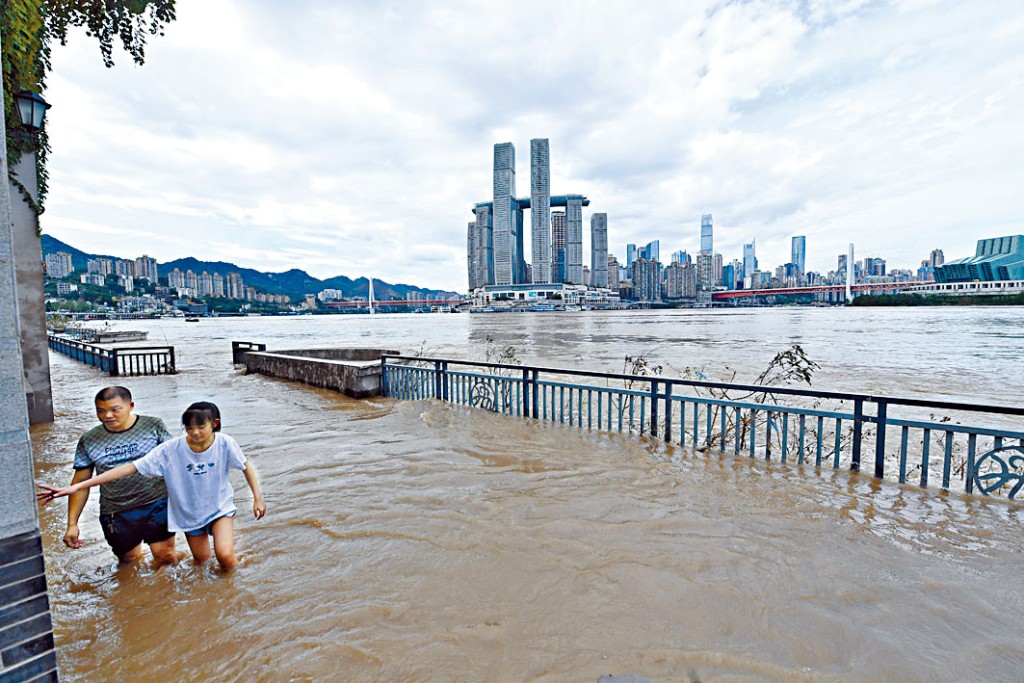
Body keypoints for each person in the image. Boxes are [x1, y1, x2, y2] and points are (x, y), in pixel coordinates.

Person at [40, 401, 266, 571]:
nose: (195, 432)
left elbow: (246, 466)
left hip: (220, 508)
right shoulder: (170, 450)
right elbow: (130, 468)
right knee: (202, 563)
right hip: (189, 513)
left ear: (214, 424)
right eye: (189, 427)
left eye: (201, 426)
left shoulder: (225, 443)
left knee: (225, 555)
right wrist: (78, 487)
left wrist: (257, 497)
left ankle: (235, 589)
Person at [62, 386, 178, 565]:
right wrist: (72, 524)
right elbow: (81, 482)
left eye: (114, 410)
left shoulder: (153, 426)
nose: (107, 415)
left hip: (156, 502)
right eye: (101, 411)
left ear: (130, 405)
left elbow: (175, 461)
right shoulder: (89, 439)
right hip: (115, 512)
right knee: (129, 561)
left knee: (165, 556)